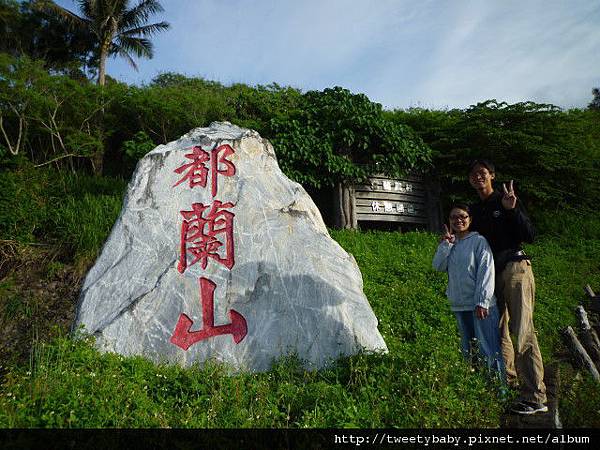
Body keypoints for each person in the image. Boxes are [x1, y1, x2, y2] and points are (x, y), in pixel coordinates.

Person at [468, 159, 547, 415]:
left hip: (515, 267)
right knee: (498, 330)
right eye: (474, 174)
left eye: (483, 173)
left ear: (492, 175)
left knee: (522, 329)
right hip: (491, 274)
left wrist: (512, 210)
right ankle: (510, 383)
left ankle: (536, 396)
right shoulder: (475, 210)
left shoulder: (506, 199)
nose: (478, 177)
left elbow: (530, 235)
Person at [432, 204, 505, 380]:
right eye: (454, 217)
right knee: (469, 351)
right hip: (460, 305)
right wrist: (445, 246)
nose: (458, 220)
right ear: (449, 221)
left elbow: (486, 271)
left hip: (480, 306)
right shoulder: (450, 244)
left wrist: (482, 301)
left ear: (470, 220)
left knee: (488, 350)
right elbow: (438, 266)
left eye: (463, 216)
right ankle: (476, 390)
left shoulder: (479, 241)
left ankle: (498, 393)